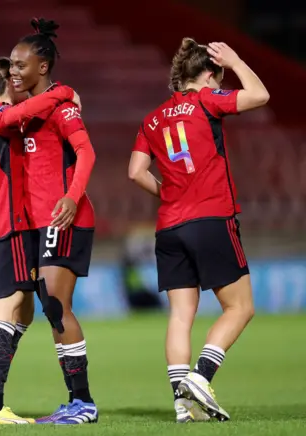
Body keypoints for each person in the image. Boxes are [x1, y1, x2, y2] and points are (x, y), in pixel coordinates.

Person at [128, 39, 267, 422]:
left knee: (180, 316)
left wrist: (170, 193)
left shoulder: (152, 119)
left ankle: (182, 406)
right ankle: (201, 378)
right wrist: (237, 60)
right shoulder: (208, 100)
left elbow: (135, 172)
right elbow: (259, 95)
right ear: (209, 75)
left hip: (169, 227)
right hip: (210, 219)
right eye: (217, 77)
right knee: (240, 307)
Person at [0, 57, 80, 425]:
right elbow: (35, 105)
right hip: (4, 227)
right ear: (8, 85)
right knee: (8, 311)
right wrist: (63, 91)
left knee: (23, 309)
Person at [9, 18, 98, 424]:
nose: (13, 70)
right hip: (40, 222)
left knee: (56, 305)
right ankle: (78, 402)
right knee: (51, 305)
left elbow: (87, 153)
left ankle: (83, 403)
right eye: (11, 64)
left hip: (64, 218)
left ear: (42, 67)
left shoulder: (62, 109)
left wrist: (70, 197)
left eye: (20, 64)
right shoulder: (28, 112)